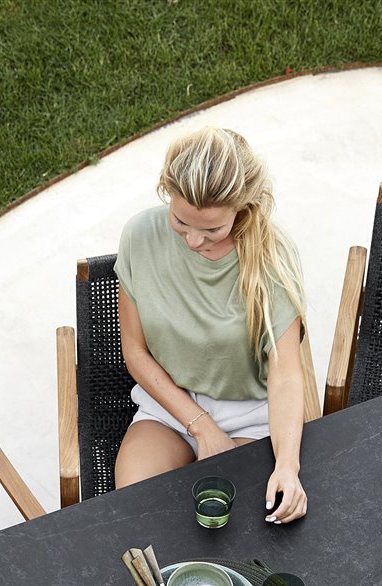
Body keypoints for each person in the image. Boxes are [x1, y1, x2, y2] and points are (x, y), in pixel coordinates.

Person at [113, 126, 312, 524]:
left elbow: (287, 374)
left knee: (235, 526)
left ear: (242, 208)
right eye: (180, 221)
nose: (193, 240)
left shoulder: (272, 257)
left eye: (211, 229)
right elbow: (134, 351)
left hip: (249, 412)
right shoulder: (139, 237)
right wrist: (201, 426)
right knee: (135, 512)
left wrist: (288, 467)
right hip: (169, 403)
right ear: (166, 191)